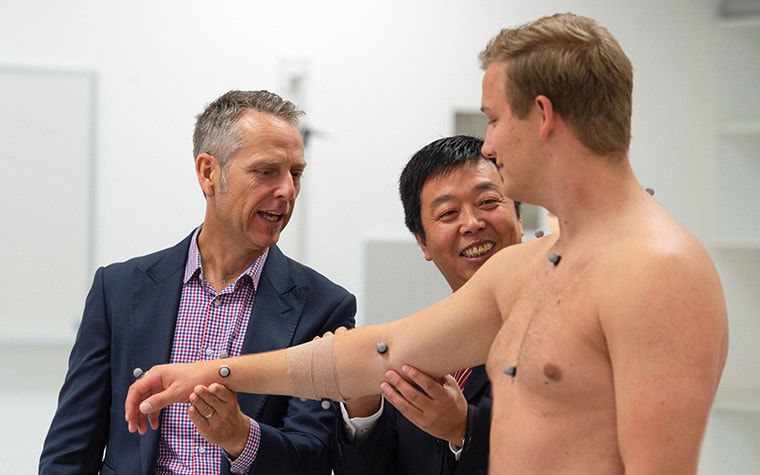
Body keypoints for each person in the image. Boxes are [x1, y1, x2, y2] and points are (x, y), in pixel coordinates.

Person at [125, 13, 729, 474]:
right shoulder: (528, 266)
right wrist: (209, 370)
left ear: (542, 116)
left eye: (493, 119)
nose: (487, 145)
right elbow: (370, 355)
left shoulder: (659, 270)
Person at [39, 90, 356, 475]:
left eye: (296, 174)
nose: (287, 190)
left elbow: (316, 458)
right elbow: (70, 451)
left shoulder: (324, 307)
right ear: (209, 172)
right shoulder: (118, 290)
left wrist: (241, 436)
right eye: (267, 171)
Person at [331, 135, 523, 474]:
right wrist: (362, 407)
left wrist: (465, 428)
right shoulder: (418, 346)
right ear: (423, 242)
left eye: (489, 202)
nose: (472, 223)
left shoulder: (563, 329)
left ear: (519, 216)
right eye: (448, 213)